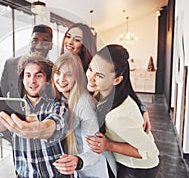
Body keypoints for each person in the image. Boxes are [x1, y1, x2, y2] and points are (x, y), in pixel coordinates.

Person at [0, 54, 68, 177]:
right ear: (22, 79)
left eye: (38, 75)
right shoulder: (13, 108)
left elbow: (57, 123)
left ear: (47, 79)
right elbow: (0, 127)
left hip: (55, 175)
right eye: (28, 75)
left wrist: (40, 129)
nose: (32, 81)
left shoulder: (58, 103)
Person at [61, 22, 151, 134]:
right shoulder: (60, 64)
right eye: (68, 36)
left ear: (85, 45)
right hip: (68, 117)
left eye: (77, 40)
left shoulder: (94, 66)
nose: (69, 42)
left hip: (91, 119)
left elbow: (123, 88)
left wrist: (143, 109)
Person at [86, 44, 159, 178]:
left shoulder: (117, 116)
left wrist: (108, 145)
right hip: (122, 160)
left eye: (100, 75)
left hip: (137, 168)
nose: (90, 78)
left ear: (117, 80)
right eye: (90, 69)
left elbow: (150, 151)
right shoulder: (103, 93)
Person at [51, 53, 116, 178]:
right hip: (78, 169)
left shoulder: (84, 103)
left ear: (77, 77)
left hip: (95, 169)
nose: (61, 79)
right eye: (58, 73)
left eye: (68, 74)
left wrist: (77, 161)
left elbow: (94, 150)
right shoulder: (60, 100)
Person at [0, 24, 53, 98]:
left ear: (51, 46)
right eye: (35, 41)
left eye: (45, 43)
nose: (39, 46)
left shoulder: (54, 70)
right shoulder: (10, 64)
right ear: (30, 42)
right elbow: (0, 95)